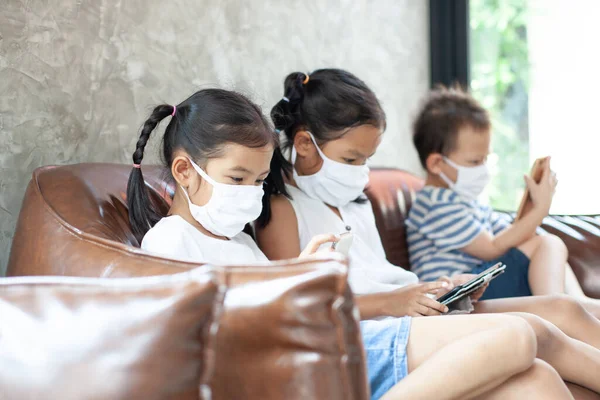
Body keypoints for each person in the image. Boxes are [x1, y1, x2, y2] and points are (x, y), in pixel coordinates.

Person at [127, 88, 576, 400]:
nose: (251, 194)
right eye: (238, 179)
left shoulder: (238, 243)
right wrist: (298, 281)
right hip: (319, 361)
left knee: (536, 379)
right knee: (521, 335)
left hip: (331, 344)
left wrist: (302, 274)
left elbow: (275, 307)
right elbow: (216, 335)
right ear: (184, 172)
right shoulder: (169, 241)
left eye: (260, 180)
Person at [256, 68, 600, 397]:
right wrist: (394, 302)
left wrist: (445, 286)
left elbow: (381, 277)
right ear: (304, 143)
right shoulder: (284, 209)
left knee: (561, 315)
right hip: (383, 326)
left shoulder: (354, 201)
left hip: (415, 311)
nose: (361, 172)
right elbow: (298, 306)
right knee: (536, 333)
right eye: (351, 159)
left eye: (367, 159)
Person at [404, 85, 600, 317]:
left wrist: (531, 205)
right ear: (436, 164)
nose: (484, 169)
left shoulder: (468, 201)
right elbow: (492, 248)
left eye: (486, 158)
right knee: (548, 244)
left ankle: (578, 305)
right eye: (475, 161)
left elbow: (514, 237)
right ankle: (557, 311)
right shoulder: (435, 204)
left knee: (546, 245)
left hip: (481, 283)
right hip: (460, 295)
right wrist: (541, 209)